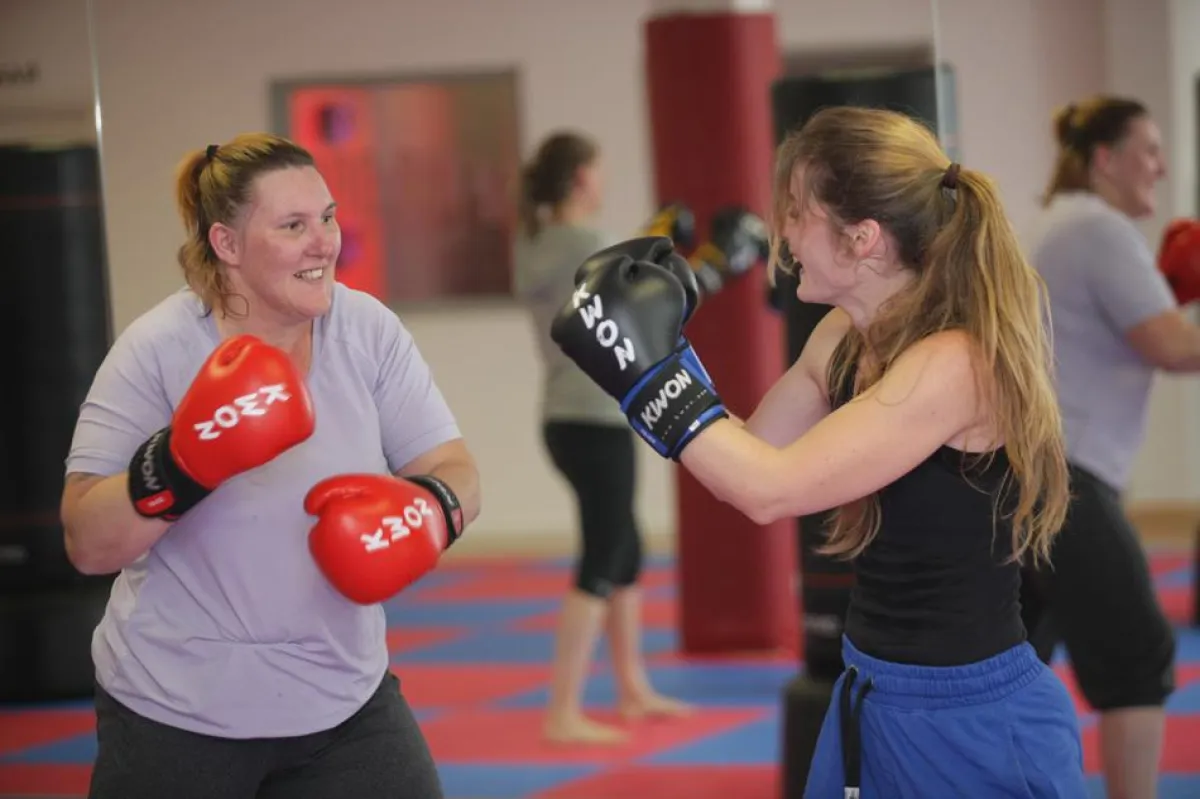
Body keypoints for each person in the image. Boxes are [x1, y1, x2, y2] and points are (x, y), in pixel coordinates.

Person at [549, 106, 1088, 797]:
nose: (785, 234)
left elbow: (769, 488)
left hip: (969, 719)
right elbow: (742, 459)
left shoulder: (954, 364)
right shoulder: (841, 337)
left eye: (799, 213)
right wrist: (662, 357)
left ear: (862, 238)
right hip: (871, 694)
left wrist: (650, 370)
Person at [60, 133, 481, 799]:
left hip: (344, 702)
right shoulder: (160, 349)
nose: (324, 242)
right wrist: (182, 462)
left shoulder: (365, 330)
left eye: (328, 217)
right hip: (178, 711)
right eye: (293, 225)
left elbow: (454, 466)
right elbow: (86, 539)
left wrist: (429, 508)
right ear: (227, 244)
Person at [512, 130, 693, 745]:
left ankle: (632, 688)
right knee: (603, 553)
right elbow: (639, 312)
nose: (604, 180)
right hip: (594, 415)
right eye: (600, 171)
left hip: (562, 416)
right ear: (583, 179)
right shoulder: (586, 245)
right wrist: (679, 257)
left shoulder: (534, 244)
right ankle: (561, 710)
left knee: (627, 548)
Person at [1023, 94, 1180, 799]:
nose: (1161, 164)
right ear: (1106, 160)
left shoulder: (1065, 223)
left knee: (1018, 658)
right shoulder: (1096, 227)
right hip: (1069, 477)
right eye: (1148, 149)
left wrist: (1171, 291)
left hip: (1034, 473)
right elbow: (1169, 343)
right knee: (1137, 655)